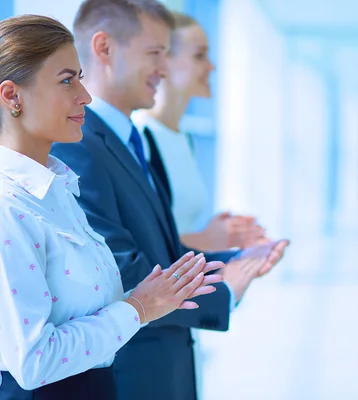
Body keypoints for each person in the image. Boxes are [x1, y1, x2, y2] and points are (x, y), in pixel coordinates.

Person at [50, 1, 289, 399]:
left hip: (165, 371)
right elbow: (124, 274)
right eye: (155, 54)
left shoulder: (133, 139)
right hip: (128, 377)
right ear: (104, 48)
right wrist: (225, 291)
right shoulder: (78, 146)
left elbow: (163, 252)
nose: (163, 68)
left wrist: (236, 262)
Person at [0, 14, 222, 400]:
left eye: (81, 78)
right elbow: (33, 360)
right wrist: (137, 308)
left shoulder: (59, 191)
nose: (84, 96)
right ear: (11, 95)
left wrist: (149, 299)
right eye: (67, 80)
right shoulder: (8, 208)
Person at [131, 11, 284, 397]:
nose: (211, 66)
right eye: (199, 55)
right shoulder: (140, 140)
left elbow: (171, 227)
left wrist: (225, 240)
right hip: (150, 332)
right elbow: (138, 245)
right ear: (164, 60)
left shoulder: (184, 139)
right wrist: (207, 238)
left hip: (180, 326)